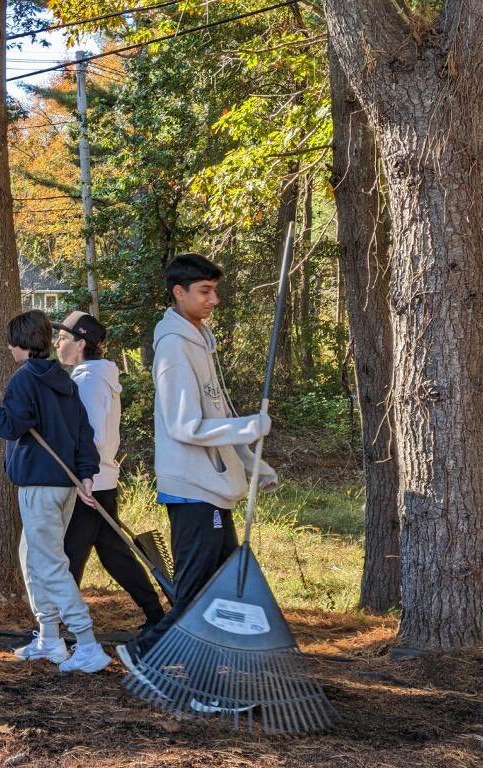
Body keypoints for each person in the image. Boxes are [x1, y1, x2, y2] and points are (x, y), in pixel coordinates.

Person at [117, 254, 278, 682]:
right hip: (192, 487)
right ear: (179, 292)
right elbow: (184, 425)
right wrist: (249, 427)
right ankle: (144, 654)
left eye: (215, 290)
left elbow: (216, 413)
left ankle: (205, 666)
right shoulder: (173, 347)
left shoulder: (200, 340)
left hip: (214, 485)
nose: (214, 300)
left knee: (222, 585)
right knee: (198, 590)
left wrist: (251, 462)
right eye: (205, 291)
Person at [0, 309, 111, 674]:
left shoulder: (25, 378)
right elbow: (82, 432)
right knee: (32, 558)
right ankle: (49, 637)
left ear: (20, 343)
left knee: (50, 565)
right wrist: (86, 475)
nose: (9, 348)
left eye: (11, 342)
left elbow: (10, 426)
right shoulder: (60, 378)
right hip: (64, 485)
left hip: (39, 485)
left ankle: (87, 643)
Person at [52, 311, 165, 631]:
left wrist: (82, 475)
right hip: (99, 481)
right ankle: (156, 615)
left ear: (81, 343)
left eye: (63, 338)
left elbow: (95, 436)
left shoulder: (87, 381)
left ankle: (56, 627)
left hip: (89, 484)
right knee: (114, 554)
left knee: (69, 555)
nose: (57, 343)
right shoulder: (95, 376)